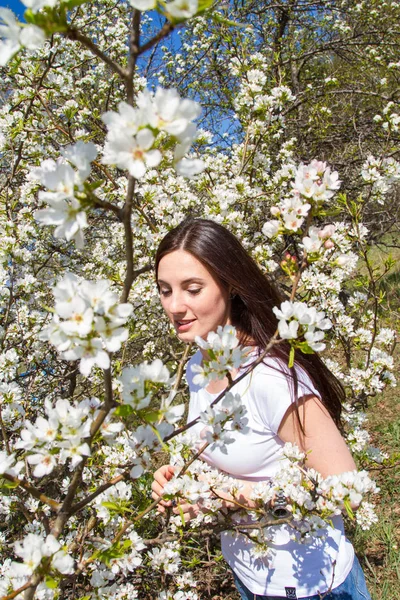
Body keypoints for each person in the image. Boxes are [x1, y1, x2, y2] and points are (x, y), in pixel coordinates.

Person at [152, 217, 372, 600]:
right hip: (251, 578)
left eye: (192, 288)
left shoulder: (270, 377)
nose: (175, 306)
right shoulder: (198, 366)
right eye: (165, 290)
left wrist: (221, 495)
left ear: (230, 286)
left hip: (311, 587)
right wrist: (181, 479)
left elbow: (347, 491)